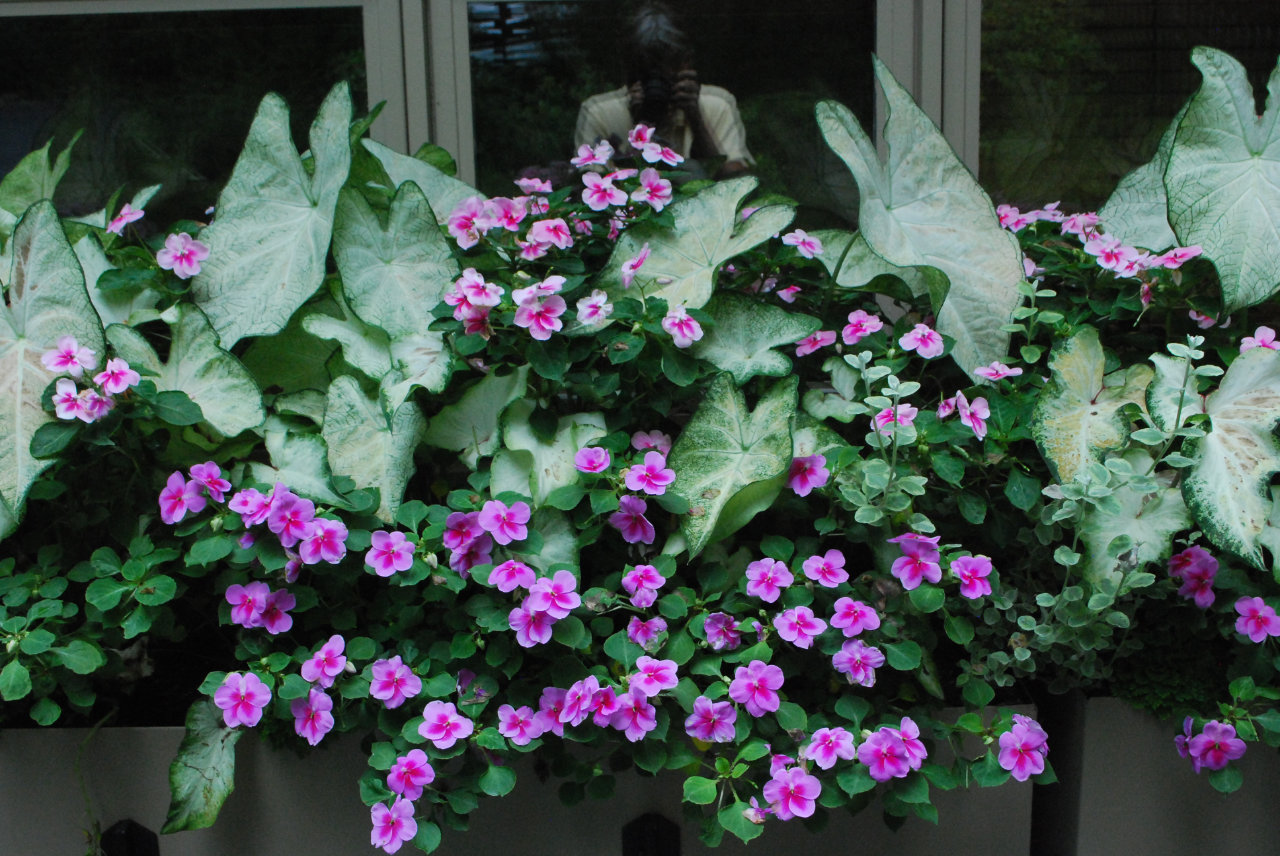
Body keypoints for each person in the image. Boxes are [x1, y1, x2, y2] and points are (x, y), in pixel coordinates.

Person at [573, 2, 752, 178]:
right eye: (647, 73)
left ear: (686, 64)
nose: (656, 84)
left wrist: (696, 118)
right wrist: (641, 128)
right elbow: (592, 189)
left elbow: (734, 179)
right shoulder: (600, 113)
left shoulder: (717, 106)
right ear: (629, 71)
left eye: (665, 72)